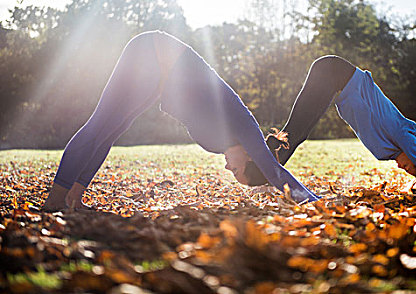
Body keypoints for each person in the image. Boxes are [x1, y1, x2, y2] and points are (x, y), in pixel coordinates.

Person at [42, 31, 319, 211]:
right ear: (249, 157)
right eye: (236, 170)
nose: (227, 168)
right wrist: (313, 202)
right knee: (101, 123)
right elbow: (273, 171)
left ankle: (73, 198)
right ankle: (55, 200)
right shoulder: (245, 127)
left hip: (159, 80)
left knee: (111, 130)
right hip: (151, 53)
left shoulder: (221, 144)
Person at [245, 55, 416, 191]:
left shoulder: (390, 150)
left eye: (404, 170)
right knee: (295, 133)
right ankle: (260, 174)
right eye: (407, 165)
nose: (400, 167)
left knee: (295, 134)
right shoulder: (405, 135)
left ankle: (258, 168)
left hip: (334, 80)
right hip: (334, 73)